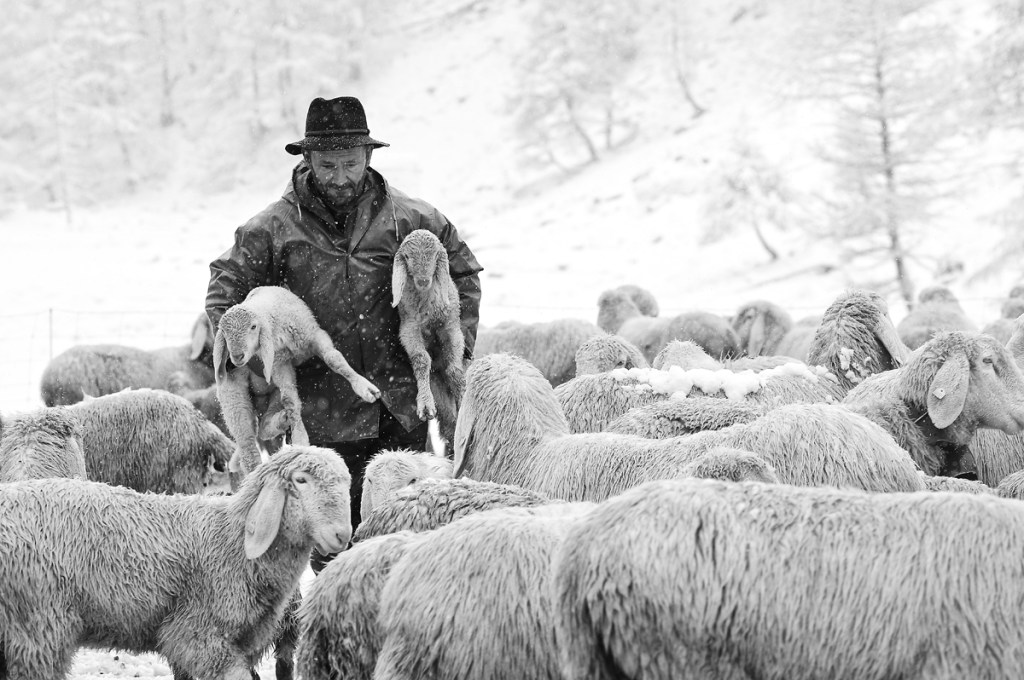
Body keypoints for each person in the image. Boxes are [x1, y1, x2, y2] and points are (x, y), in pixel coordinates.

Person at [206, 96, 482, 571]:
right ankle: (340, 633)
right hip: (321, 414)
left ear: (369, 158)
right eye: (327, 164)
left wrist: (449, 349)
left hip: (401, 405)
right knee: (335, 548)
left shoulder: (413, 220)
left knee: (411, 540)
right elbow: (224, 297)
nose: (339, 176)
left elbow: (462, 273)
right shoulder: (270, 229)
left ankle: (406, 636)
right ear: (307, 160)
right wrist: (253, 367)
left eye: (350, 163)